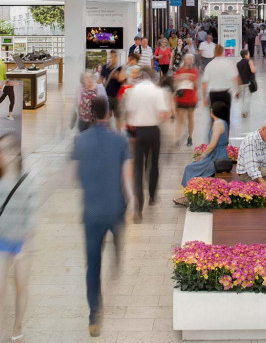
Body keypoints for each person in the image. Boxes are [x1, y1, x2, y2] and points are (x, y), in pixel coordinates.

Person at [72, 97, 133, 337]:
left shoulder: (80, 141)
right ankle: (117, 250)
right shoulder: (120, 140)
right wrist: (133, 202)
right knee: (117, 234)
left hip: (91, 211)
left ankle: (95, 316)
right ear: (108, 114)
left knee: (92, 265)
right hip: (115, 206)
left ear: (90, 114)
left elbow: (74, 176)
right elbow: (126, 177)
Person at [0, 133, 37, 343]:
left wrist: (25, 246)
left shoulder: (27, 181)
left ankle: (17, 327)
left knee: (20, 287)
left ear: (16, 153)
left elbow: (32, 216)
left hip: (20, 243)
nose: (1, 155)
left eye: (6, 150)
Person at [123, 67, 170, 222]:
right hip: (153, 131)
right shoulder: (158, 91)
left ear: (140, 77)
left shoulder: (133, 91)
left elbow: (128, 114)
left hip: (138, 132)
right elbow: (164, 114)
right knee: (154, 164)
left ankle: (138, 208)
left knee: (138, 168)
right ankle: (152, 195)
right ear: (152, 76)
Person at [174, 101, 230, 206]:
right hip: (219, 154)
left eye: (211, 109)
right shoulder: (223, 122)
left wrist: (202, 155)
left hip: (215, 157)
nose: (210, 111)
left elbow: (213, 144)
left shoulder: (218, 124)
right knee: (194, 167)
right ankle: (190, 195)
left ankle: (190, 197)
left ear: (214, 111)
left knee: (190, 168)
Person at [202, 44, 238, 127]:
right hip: (225, 94)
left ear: (214, 52)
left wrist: (204, 98)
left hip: (213, 94)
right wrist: (237, 91)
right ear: (223, 52)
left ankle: (215, 137)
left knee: (214, 117)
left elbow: (205, 84)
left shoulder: (209, 65)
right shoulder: (228, 63)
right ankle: (226, 138)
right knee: (226, 118)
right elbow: (235, 79)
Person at [173, 53, 200, 147]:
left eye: (191, 59)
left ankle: (190, 137)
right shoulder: (179, 71)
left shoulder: (195, 71)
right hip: (181, 98)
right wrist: (180, 78)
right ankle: (177, 137)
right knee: (180, 119)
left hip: (191, 98)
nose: (190, 61)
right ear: (184, 60)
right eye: (188, 59)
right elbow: (175, 83)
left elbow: (197, 85)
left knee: (190, 118)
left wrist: (192, 79)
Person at [101, 51, 124, 127]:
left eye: (114, 56)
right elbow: (100, 80)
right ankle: (109, 134)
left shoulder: (120, 68)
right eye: (111, 56)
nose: (113, 58)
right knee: (107, 116)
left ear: (117, 57)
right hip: (108, 96)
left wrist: (118, 77)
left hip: (118, 97)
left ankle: (118, 134)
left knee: (118, 117)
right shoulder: (105, 67)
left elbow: (122, 80)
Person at [234, 49, 257, 119]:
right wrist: (254, 67)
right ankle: (244, 112)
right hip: (249, 82)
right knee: (247, 97)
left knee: (244, 97)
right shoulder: (249, 61)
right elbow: (253, 70)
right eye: (248, 54)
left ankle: (246, 110)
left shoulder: (238, 64)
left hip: (241, 83)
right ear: (246, 55)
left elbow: (237, 75)